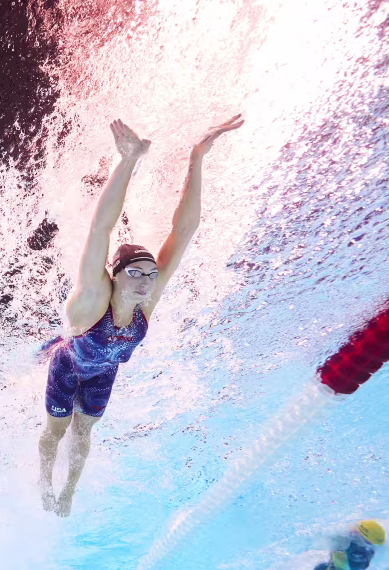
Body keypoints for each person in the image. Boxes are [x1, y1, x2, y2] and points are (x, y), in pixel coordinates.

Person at [38, 115, 244, 516]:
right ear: (114, 276)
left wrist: (197, 156)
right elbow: (101, 228)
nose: (148, 281)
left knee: (84, 433)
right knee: (57, 431)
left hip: (103, 372)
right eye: (136, 272)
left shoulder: (143, 306)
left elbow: (183, 232)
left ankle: (69, 493)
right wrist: (130, 159)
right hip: (67, 365)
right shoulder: (92, 300)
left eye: (152, 274)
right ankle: (44, 483)